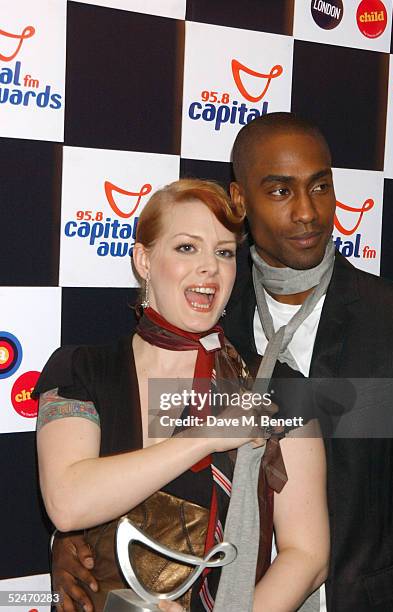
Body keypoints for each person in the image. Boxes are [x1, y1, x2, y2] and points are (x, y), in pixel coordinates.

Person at [35, 178, 328, 612]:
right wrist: (205, 436)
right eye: (187, 248)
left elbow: (308, 556)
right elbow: (68, 503)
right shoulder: (80, 368)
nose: (210, 267)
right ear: (144, 259)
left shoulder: (279, 388)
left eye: (224, 252)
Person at [224, 113, 393, 612]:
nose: (308, 212)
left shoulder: (389, 322)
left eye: (320, 187)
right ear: (240, 201)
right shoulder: (212, 321)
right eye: (280, 191)